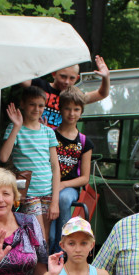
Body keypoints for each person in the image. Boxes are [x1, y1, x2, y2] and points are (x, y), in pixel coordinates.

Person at [0, 85, 60, 242]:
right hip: (28, 191)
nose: (36, 109)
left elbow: (55, 166)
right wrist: (17, 126)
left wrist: (55, 200)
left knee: (45, 237)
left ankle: (45, 266)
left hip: (47, 190)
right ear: (23, 104)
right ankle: (38, 265)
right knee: (38, 235)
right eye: (32, 104)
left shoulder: (48, 132)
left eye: (41, 105)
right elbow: (4, 157)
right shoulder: (15, 129)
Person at [49, 86, 94, 254]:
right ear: (60, 109)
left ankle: (66, 240)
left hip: (69, 188)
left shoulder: (84, 142)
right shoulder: (49, 134)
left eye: (76, 109)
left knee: (63, 198)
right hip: (49, 186)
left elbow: (85, 178)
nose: (71, 113)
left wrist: (63, 184)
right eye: (67, 108)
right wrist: (56, 184)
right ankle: (51, 249)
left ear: (81, 112)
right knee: (49, 235)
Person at [21, 56, 110, 129]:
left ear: (77, 78)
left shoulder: (74, 97)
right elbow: (20, 77)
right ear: (54, 74)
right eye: (63, 77)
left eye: (72, 78)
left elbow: (102, 94)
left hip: (60, 142)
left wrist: (106, 77)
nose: (66, 82)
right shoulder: (39, 86)